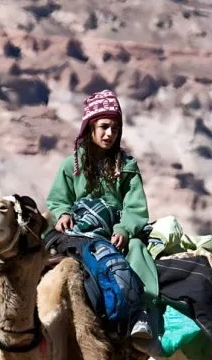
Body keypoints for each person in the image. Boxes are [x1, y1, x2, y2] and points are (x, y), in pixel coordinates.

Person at [45, 89, 159, 340]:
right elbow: (57, 199)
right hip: (78, 231)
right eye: (104, 127)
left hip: (113, 232)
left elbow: (135, 207)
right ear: (90, 127)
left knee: (137, 249)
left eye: (115, 129)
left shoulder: (126, 166)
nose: (109, 134)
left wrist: (124, 230)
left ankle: (140, 313)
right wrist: (62, 213)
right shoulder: (71, 165)